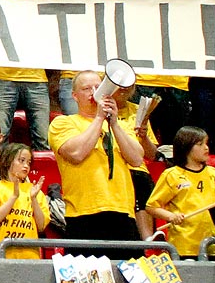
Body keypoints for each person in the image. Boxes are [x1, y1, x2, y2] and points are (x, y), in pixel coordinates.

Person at [50, 69, 146, 243]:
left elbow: (137, 158)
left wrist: (115, 124)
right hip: (83, 213)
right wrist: (99, 118)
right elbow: (76, 153)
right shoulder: (63, 123)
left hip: (123, 212)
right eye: (86, 88)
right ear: (75, 96)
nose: (94, 92)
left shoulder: (121, 126)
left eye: (98, 87)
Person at [145, 126, 215, 258]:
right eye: (200, 144)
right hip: (184, 245)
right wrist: (170, 216)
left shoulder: (214, 174)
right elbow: (151, 207)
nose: (206, 148)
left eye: (206, 143)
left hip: (212, 244)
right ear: (186, 147)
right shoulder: (171, 175)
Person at [0, 143, 50, 259]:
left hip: (31, 256)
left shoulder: (34, 191)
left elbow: (41, 226)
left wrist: (33, 199)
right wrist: (14, 197)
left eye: (28, 162)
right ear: (7, 161)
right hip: (3, 255)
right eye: (21, 160)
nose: (26, 166)